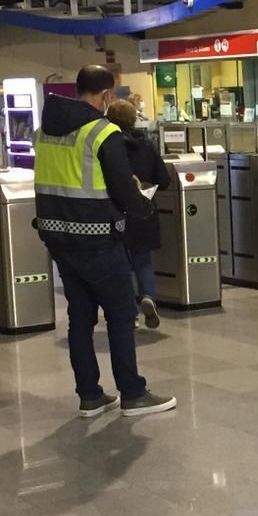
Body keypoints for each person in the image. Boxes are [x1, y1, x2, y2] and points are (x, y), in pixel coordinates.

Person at [33, 66, 175, 418]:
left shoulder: (45, 132)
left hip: (58, 239)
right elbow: (124, 190)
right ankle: (132, 393)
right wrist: (143, 204)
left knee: (80, 317)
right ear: (106, 95)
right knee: (121, 314)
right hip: (97, 237)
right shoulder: (103, 132)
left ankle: (90, 396)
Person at [105, 97, 171, 330]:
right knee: (143, 259)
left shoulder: (109, 146)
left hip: (117, 212)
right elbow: (164, 180)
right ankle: (148, 296)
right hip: (144, 210)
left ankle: (130, 311)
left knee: (122, 263)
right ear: (134, 119)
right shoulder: (147, 145)